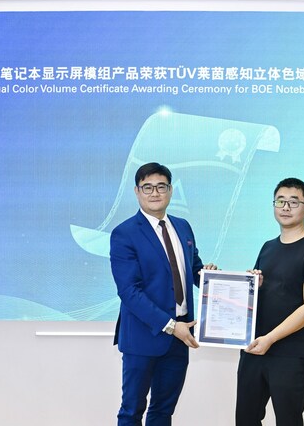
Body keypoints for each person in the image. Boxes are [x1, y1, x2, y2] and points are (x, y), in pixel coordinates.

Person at [110, 162, 216, 425]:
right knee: (131, 411)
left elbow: (194, 270)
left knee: (163, 411)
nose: (155, 193)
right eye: (147, 187)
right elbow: (129, 291)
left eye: (161, 186)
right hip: (143, 336)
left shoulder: (183, 226)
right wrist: (170, 325)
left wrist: (214, 278)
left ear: (170, 190)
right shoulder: (124, 233)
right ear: (137, 191)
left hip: (181, 336)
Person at [236, 177, 304, 426]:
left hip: (289, 354)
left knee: (288, 421)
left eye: (294, 202)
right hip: (254, 348)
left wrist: (270, 339)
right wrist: (253, 286)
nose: (286, 207)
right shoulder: (267, 247)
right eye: (280, 201)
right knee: (245, 419)